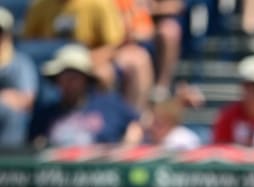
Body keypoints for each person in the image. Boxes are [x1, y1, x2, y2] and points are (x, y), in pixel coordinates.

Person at [22, 0, 156, 113]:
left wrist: (85, 60)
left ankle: (111, 119)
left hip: (89, 59)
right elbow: (29, 43)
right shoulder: (40, 6)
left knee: (105, 73)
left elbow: (114, 44)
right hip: (53, 63)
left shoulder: (98, 4)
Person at [29, 43, 143, 147]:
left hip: (103, 167)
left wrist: (127, 145)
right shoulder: (45, 114)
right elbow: (34, 144)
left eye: (74, 77)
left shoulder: (109, 105)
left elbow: (135, 125)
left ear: (86, 79)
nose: (69, 83)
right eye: (64, 77)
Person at [0, 6, 38, 149]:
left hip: (7, 121)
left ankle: (7, 166)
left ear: (8, 35)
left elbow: (27, 100)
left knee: (10, 114)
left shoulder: (21, 63)